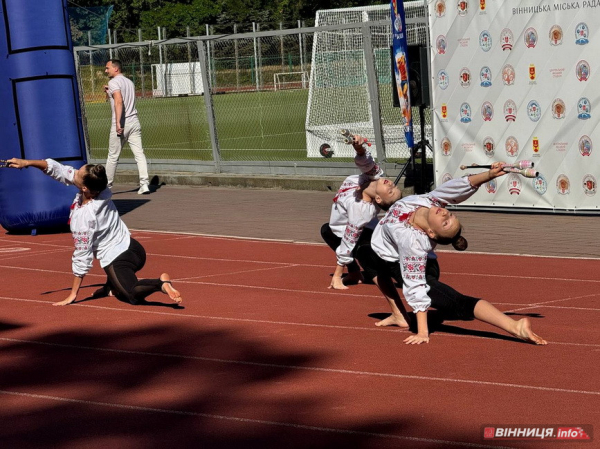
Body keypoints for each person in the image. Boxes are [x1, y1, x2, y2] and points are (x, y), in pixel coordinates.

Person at [356, 162, 547, 345]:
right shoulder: (427, 201)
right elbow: (455, 188)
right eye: (451, 215)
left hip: (415, 267)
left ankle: (515, 326)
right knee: (363, 250)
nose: (446, 214)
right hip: (387, 252)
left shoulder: (411, 240)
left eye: (446, 223)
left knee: (454, 303)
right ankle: (398, 313)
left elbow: (415, 284)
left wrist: (422, 331)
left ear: (430, 233)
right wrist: (488, 175)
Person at [5, 157, 182, 306]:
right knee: (116, 285)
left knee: (131, 295)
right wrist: (25, 162)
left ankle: (161, 284)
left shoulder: (84, 218)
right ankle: (110, 286)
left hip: (119, 257)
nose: (74, 172)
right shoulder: (103, 191)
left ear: (84, 188)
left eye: (78, 173)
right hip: (135, 248)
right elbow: (58, 170)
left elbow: (82, 256)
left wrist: (73, 294)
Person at [321, 135, 403, 289]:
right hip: (345, 229)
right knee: (327, 230)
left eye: (390, 191)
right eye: (394, 186)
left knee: (364, 252)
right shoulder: (374, 175)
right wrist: (358, 147)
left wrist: (338, 274)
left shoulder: (362, 210)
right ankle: (355, 272)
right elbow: (365, 162)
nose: (391, 185)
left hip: (368, 235)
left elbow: (349, 240)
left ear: (378, 199)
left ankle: (404, 278)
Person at [104, 59, 150, 194]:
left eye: (108, 68)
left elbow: (119, 101)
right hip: (134, 121)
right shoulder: (129, 82)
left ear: (115, 69)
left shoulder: (113, 82)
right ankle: (144, 183)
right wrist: (109, 93)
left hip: (122, 122)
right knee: (139, 154)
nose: (106, 71)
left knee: (113, 156)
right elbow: (120, 98)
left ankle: (107, 187)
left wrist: (118, 122)